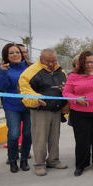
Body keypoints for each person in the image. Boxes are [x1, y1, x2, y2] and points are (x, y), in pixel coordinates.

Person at [19, 48, 69, 176]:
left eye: (53, 61)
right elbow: (24, 91)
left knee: (54, 138)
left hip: (56, 110)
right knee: (40, 138)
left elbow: (67, 86)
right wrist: (36, 99)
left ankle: (53, 160)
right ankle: (39, 164)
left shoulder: (60, 71)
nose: (51, 64)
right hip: (40, 110)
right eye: (47, 61)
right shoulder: (30, 72)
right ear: (41, 58)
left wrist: (64, 90)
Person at [63, 51, 93, 176]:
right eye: (86, 62)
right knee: (82, 141)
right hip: (80, 113)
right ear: (81, 63)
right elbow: (66, 93)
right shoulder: (74, 76)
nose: (89, 65)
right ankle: (81, 165)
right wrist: (76, 99)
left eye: (92, 62)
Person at [0, 43, 31, 173]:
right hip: (11, 107)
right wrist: (3, 72)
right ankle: (13, 160)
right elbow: (0, 87)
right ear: (6, 56)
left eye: (17, 52)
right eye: (11, 53)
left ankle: (24, 159)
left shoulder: (30, 67)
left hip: (29, 106)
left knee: (27, 133)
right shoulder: (3, 68)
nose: (15, 55)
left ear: (22, 54)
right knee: (14, 134)